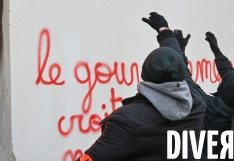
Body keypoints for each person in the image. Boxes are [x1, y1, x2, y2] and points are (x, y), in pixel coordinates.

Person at [77, 12, 206, 161]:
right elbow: (178, 61)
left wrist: (163, 29)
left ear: (145, 74)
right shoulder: (196, 99)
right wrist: (164, 31)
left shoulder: (126, 120)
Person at [177, 30, 234, 160]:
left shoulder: (214, 107)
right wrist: (217, 51)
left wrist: (180, 51)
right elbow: (229, 73)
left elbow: (186, 80)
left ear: (228, 87)